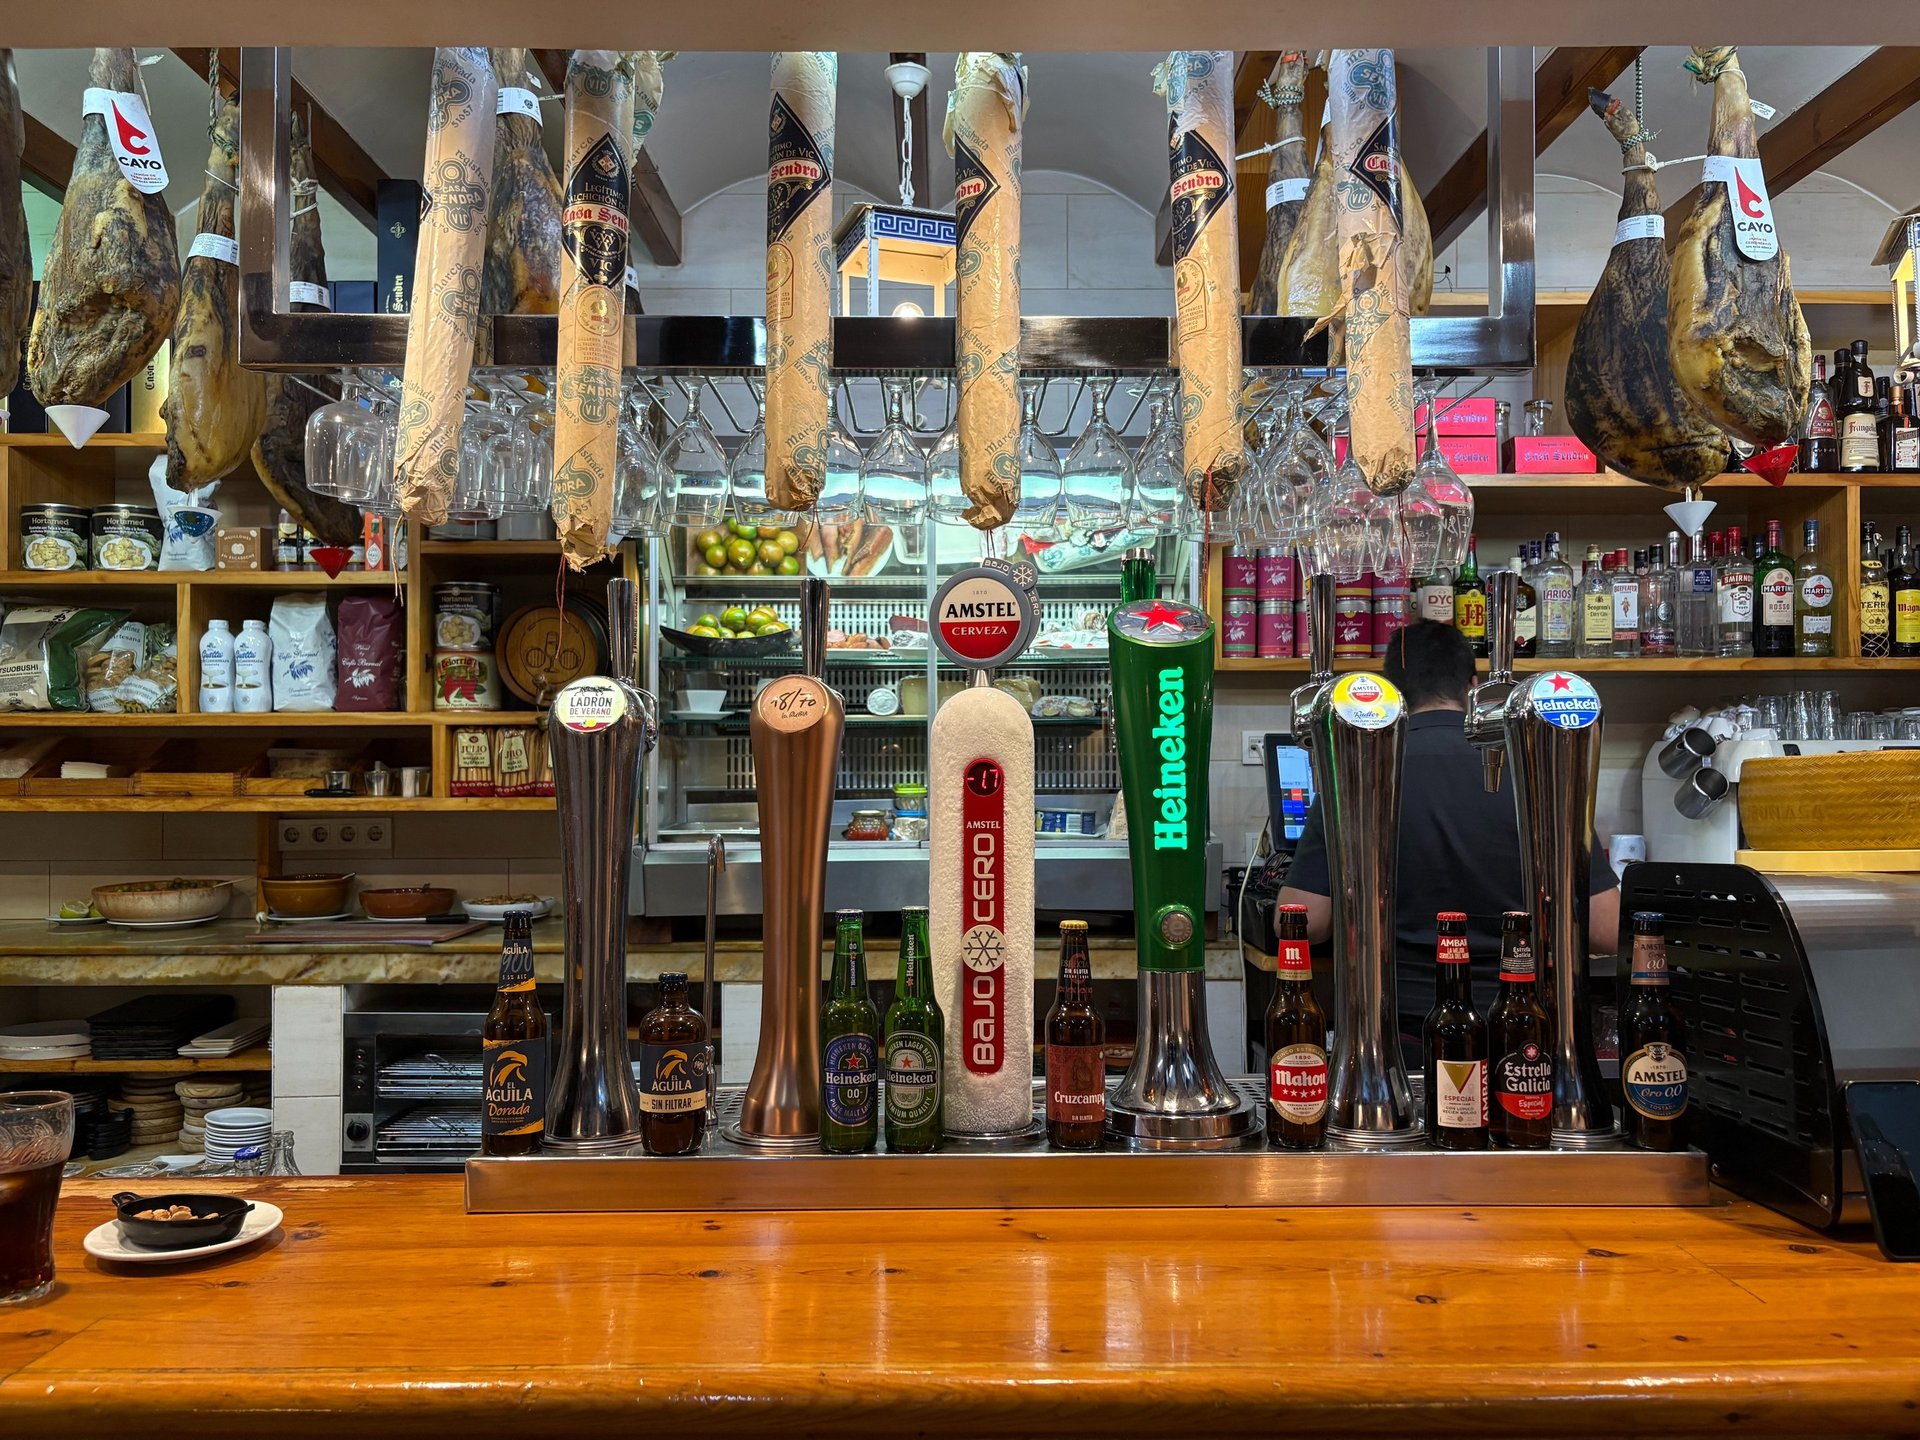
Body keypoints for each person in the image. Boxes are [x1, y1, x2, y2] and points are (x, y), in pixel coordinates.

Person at [1276, 620, 1620, 1059]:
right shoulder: (1538, 767)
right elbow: (1607, 929)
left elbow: (1308, 923)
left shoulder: (1360, 770)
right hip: (1519, 1033)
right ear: (1474, 688)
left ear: (1391, 693)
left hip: (1397, 1036)